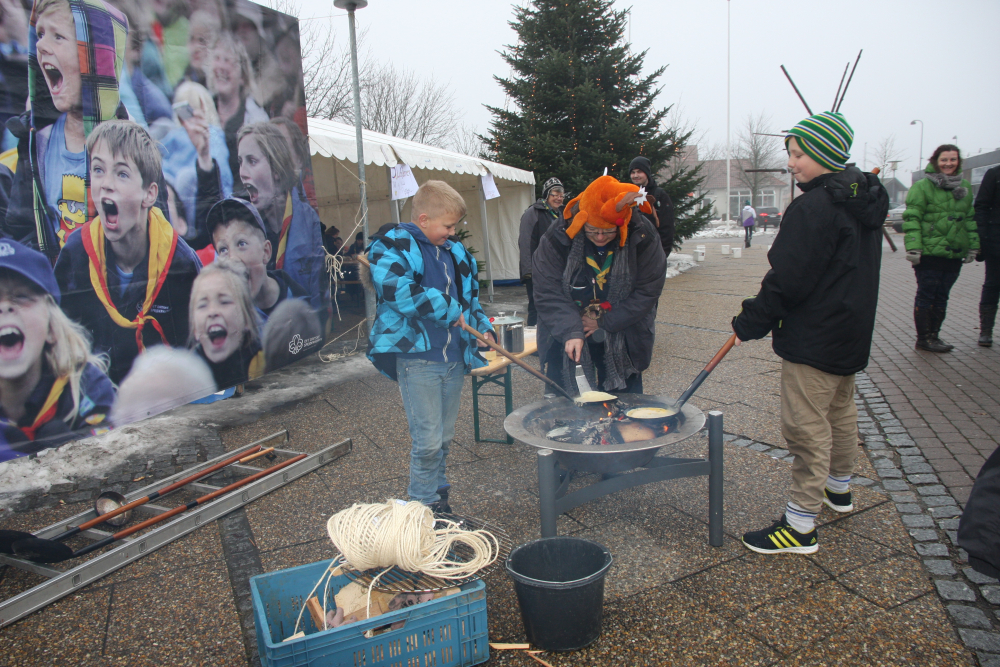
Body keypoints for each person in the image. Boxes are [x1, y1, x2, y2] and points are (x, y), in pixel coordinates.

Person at [734, 112, 888, 554]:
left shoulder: (816, 207)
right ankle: (838, 489)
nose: (792, 164)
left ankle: (800, 525)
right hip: (850, 332)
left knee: (806, 427)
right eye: (791, 154)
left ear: (824, 154)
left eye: (799, 155)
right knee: (840, 412)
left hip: (816, 335)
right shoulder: (863, 198)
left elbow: (788, 278)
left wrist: (751, 320)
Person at [366, 180, 494, 513]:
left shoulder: (456, 253)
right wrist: (448, 308)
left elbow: (470, 301)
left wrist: (482, 327)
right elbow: (399, 293)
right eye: (447, 226)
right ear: (423, 219)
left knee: (444, 438)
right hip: (417, 358)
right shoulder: (391, 246)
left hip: (453, 358)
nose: (452, 233)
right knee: (427, 442)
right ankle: (421, 507)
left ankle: (438, 494)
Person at [53, 120, 202, 384]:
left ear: (149, 194)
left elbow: (196, 357)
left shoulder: (181, 264)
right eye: (98, 169)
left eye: (121, 174)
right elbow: (58, 345)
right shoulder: (76, 253)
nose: (106, 184)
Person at [4, 0, 130, 257]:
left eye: (58, 36)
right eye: (39, 34)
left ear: (96, 57)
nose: (39, 45)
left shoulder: (131, 145)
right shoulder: (35, 139)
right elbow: (21, 228)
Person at [533, 175, 666, 395]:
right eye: (593, 230)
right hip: (567, 330)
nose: (601, 237)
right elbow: (547, 290)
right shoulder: (558, 235)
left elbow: (648, 290)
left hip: (623, 335)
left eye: (609, 231)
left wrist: (605, 320)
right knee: (566, 411)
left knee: (624, 410)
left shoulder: (642, 234)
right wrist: (571, 330)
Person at [0, 240, 115, 461]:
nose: (5, 307)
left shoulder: (86, 387)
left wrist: (70, 451)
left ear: (52, 327)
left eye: (21, 296)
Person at [236, 122, 326, 312]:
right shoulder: (238, 225)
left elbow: (318, 292)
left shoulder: (308, 222)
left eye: (252, 161)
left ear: (276, 169)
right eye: (240, 162)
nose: (242, 173)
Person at [902, 144, 978, 353]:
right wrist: (914, 248)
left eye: (953, 160)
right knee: (927, 295)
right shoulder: (922, 187)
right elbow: (912, 218)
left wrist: (973, 246)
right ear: (936, 161)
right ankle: (924, 338)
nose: (948, 164)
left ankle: (935, 335)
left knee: (942, 295)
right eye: (944, 159)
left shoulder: (964, 187)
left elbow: (969, 220)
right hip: (929, 253)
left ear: (958, 162)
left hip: (954, 253)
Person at [206, 196, 307, 328]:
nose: (232, 259)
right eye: (223, 249)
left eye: (241, 243)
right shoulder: (225, 322)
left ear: (265, 252)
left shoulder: (303, 306)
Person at [188, 258, 265, 389]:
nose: (212, 312)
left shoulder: (265, 364)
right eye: (202, 305)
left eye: (224, 302)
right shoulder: (185, 377)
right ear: (195, 329)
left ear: (247, 319)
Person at [209, 32, 268, 181]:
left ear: (243, 77)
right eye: (217, 59)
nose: (221, 66)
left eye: (228, 61)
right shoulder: (202, 108)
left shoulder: (256, 119)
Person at [518, 176, 564, 327]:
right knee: (537, 306)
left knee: (556, 305)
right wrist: (528, 270)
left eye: (561, 194)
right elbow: (525, 241)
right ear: (546, 195)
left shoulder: (563, 215)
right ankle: (534, 341)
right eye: (555, 194)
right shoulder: (534, 212)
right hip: (537, 270)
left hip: (557, 270)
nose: (559, 198)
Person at [629, 156, 675, 260]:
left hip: (653, 252)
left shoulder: (659, 195)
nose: (635, 175)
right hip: (632, 252)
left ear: (647, 173)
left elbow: (667, 227)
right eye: (633, 172)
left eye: (639, 171)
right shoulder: (628, 195)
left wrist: (663, 254)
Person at [974, 164, 1000, 347]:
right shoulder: (994, 174)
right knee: (993, 284)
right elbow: (982, 206)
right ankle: (986, 331)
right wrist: (982, 238)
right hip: (996, 240)